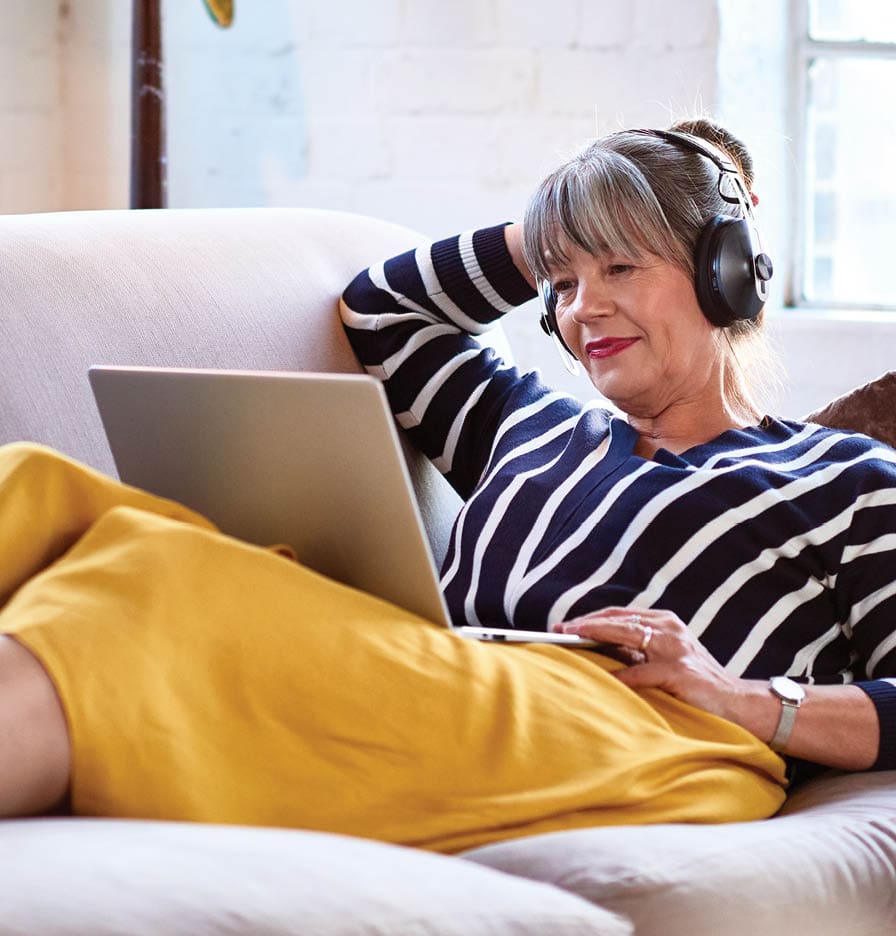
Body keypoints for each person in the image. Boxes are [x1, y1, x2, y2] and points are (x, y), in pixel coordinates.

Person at [0, 119, 892, 854]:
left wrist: (737, 697)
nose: (583, 309)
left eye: (622, 267)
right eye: (563, 283)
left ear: (724, 272)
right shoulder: (527, 422)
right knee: (32, 483)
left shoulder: (844, 479)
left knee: (157, 581)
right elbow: (379, 309)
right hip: (455, 676)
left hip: (648, 731)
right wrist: (561, 220)